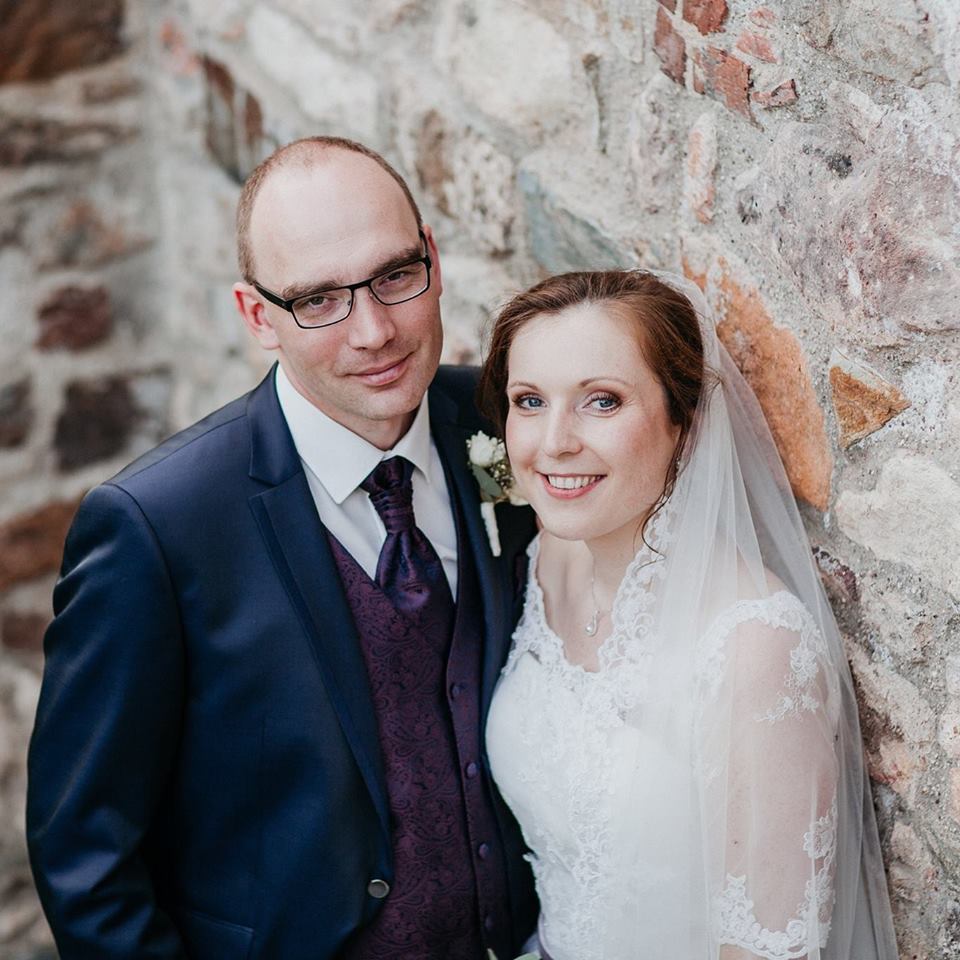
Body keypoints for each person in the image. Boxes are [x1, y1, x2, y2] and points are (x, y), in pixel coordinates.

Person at [26, 136, 537, 959]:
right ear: (257, 316)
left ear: (433, 260)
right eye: (319, 300)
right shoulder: (155, 526)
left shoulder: (507, 425)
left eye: (395, 276)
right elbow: (85, 857)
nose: (374, 331)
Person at [478, 270, 899, 959]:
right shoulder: (551, 553)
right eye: (530, 401)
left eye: (602, 401)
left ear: (686, 422)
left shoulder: (754, 646)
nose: (553, 442)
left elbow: (768, 948)